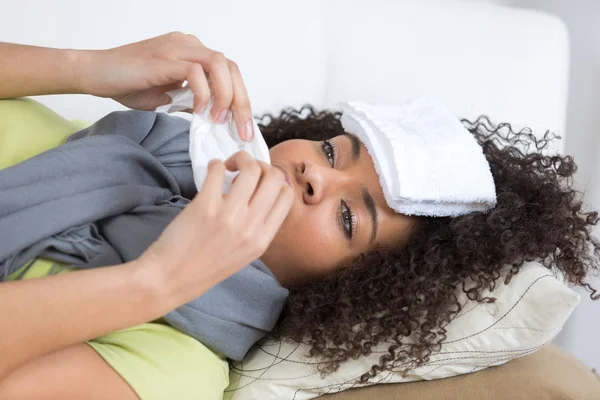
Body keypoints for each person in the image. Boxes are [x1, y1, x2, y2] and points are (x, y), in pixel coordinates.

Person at [0, 33, 598, 400]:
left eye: (347, 218)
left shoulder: (172, 371)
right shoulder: (116, 147)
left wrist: (157, 282)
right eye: (335, 152)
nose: (316, 173)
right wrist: (87, 69)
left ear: (349, 290)